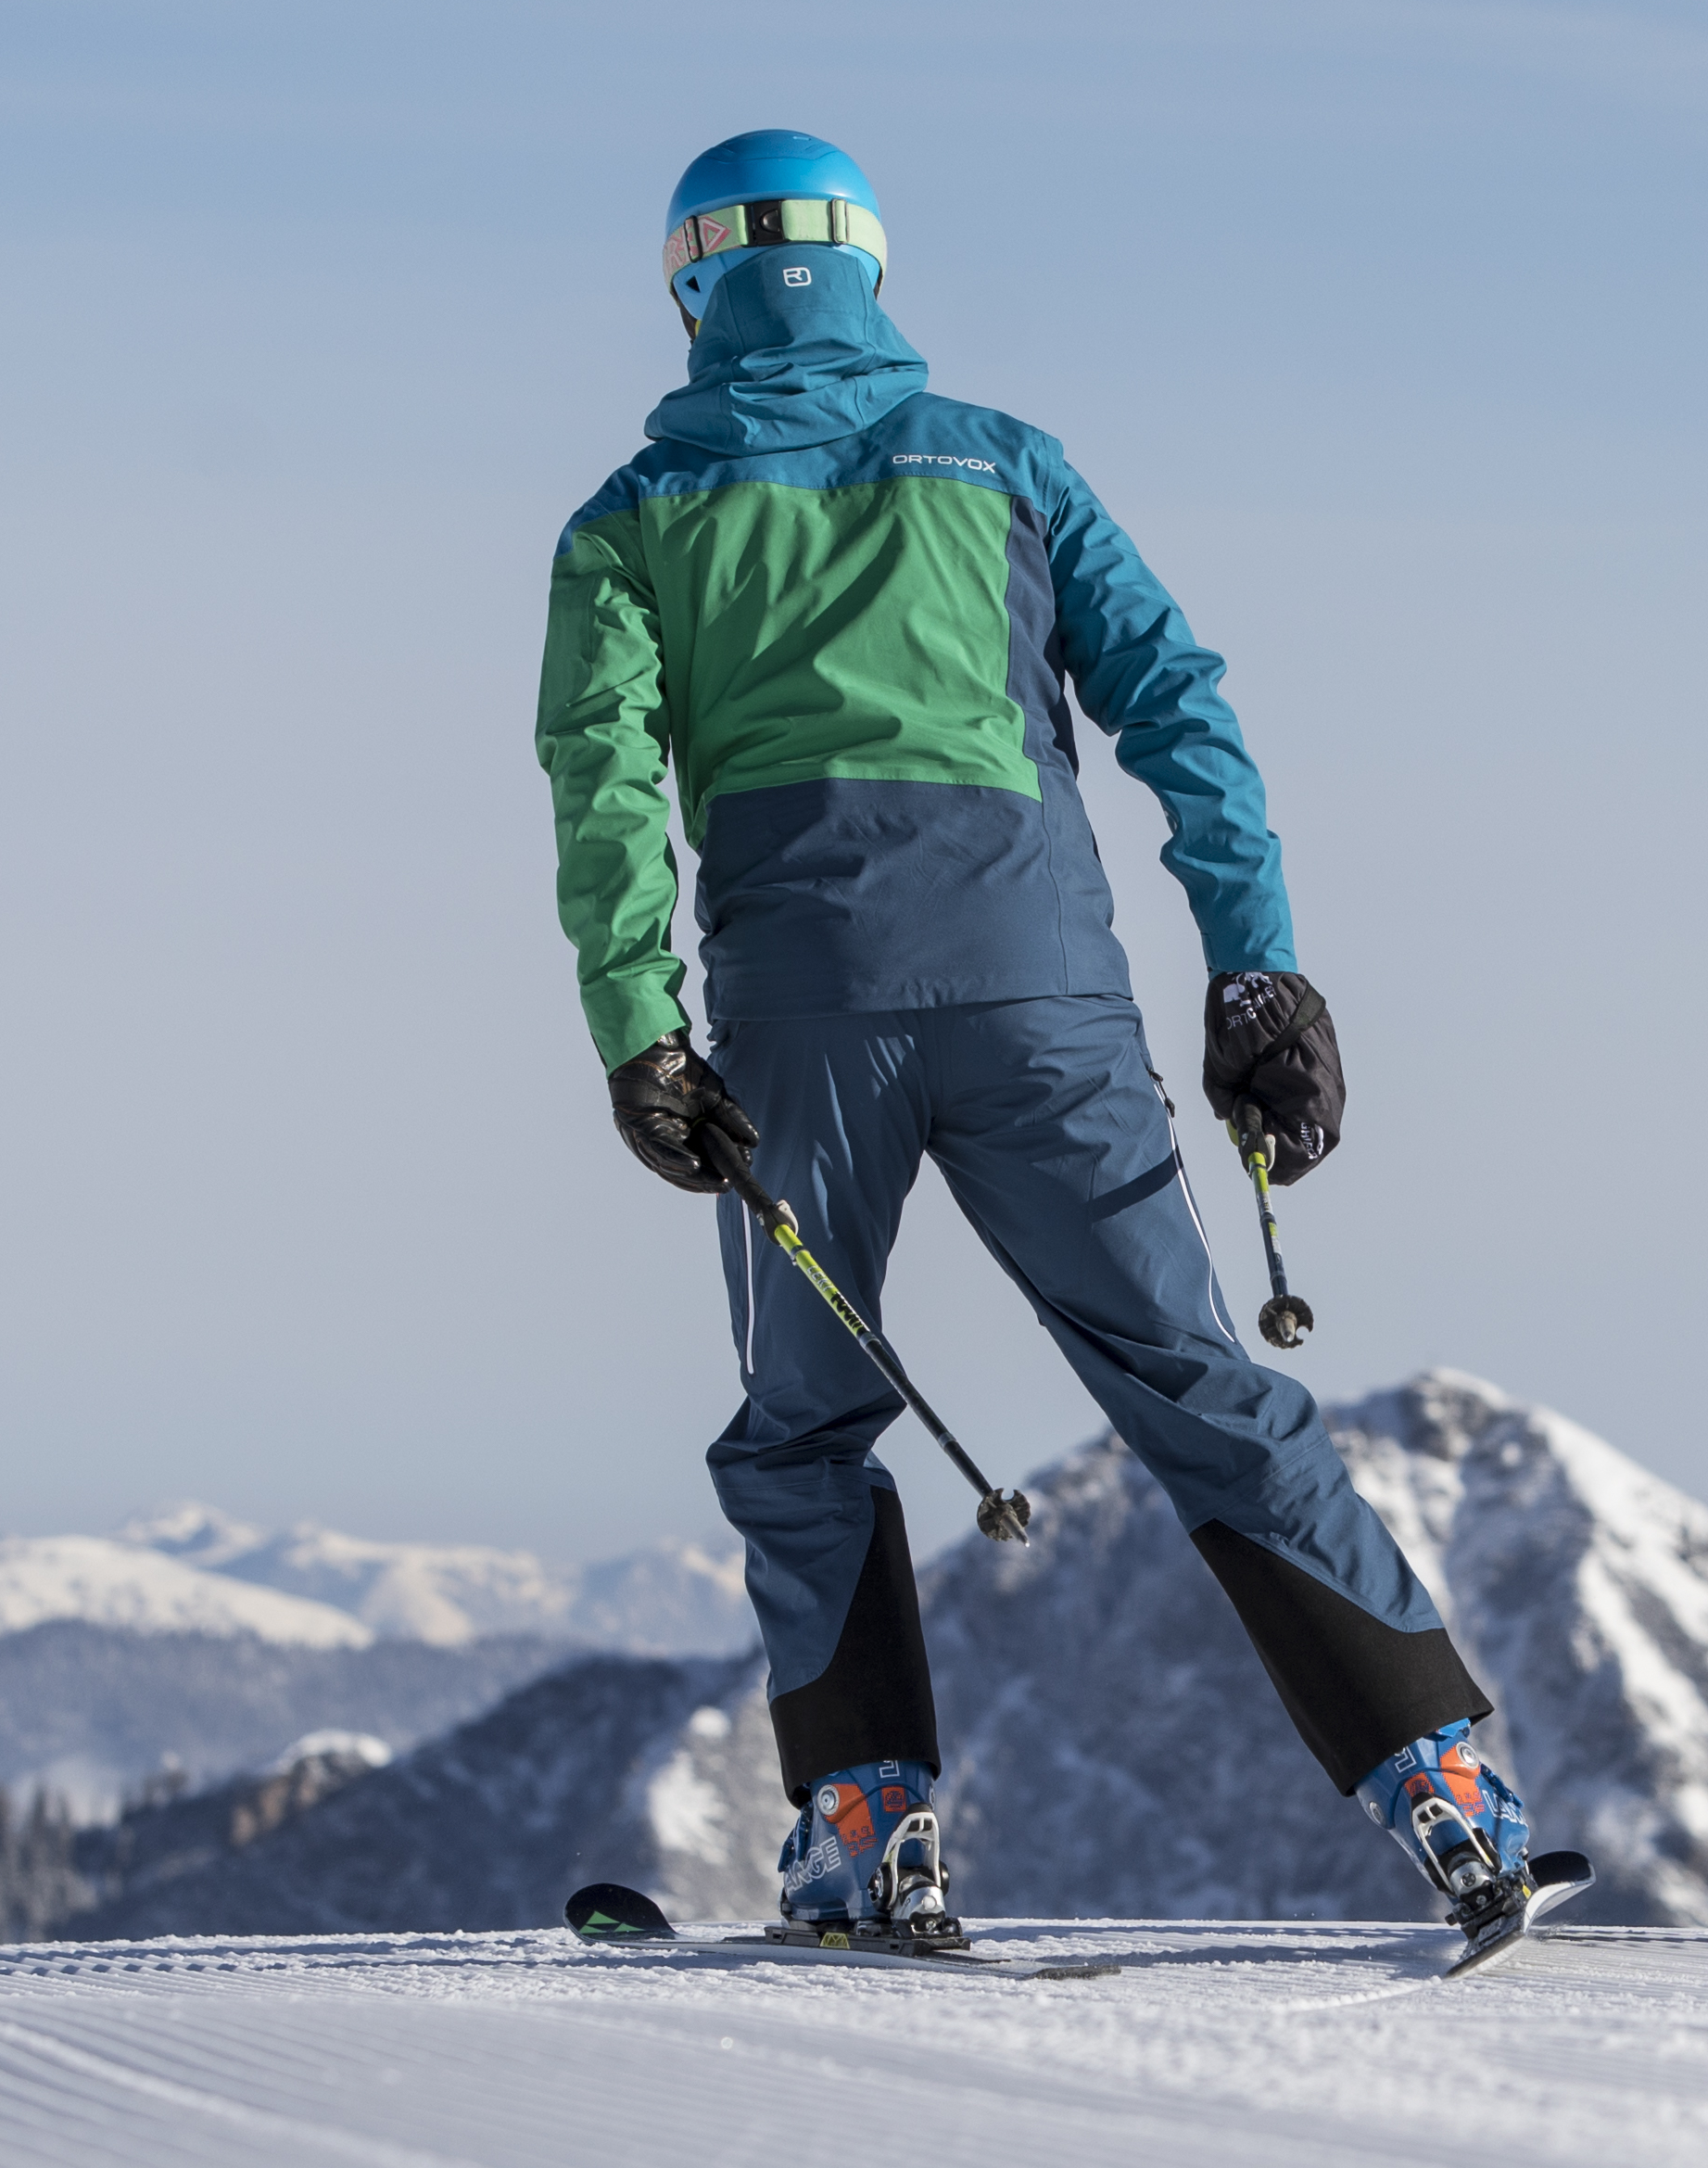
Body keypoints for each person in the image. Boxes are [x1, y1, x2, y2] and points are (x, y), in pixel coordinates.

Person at [538, 130, 1538, 1953]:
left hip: (802, 1018)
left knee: (800, 1430)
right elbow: (1181, 706)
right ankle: (1449, 1781)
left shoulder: (631, 517)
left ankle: (866, 1841)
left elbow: (602, 793)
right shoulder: (1006, 465)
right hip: (1044, 1002)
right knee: (1198, 1384)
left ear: (688, 283)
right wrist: (1259, 970)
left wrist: (640, 1035)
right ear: (873, 267)